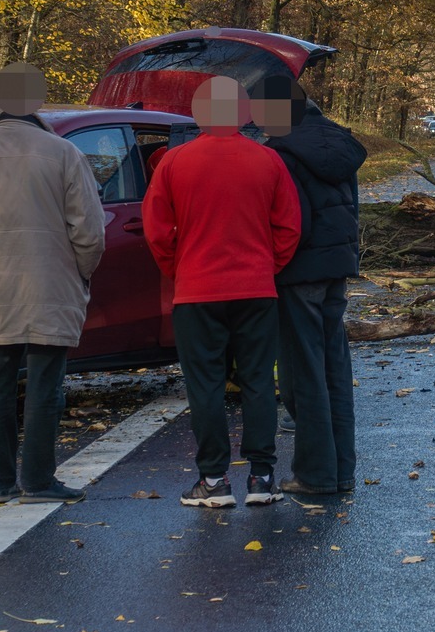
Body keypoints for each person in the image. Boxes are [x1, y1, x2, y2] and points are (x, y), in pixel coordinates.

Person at [0, 63, 105, 505]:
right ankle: (37, 480)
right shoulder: (64, 154)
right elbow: (89, 231)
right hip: (52, 281)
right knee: (45, 383)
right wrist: (81, 271)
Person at [145, 75, 302, 508]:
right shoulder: (268, 160)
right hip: (255, 289)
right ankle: (262, 477)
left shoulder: (174, 163)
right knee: (256, 382)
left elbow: (157, 232)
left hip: (197, 291)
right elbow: (288, 226)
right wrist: (268, 267)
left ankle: (213, 481)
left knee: (206, 386)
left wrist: (179, 270)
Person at [261, 77, 367, 501]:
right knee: (334, 370)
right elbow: (351, 208)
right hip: (336, 267)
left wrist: (275, 263)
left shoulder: (282, 153)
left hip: (298, 270)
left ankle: (314, 474)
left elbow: (291, 219)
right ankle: (342, 471)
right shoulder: (339, 143)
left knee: (301, 375)